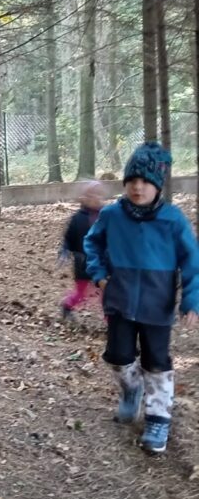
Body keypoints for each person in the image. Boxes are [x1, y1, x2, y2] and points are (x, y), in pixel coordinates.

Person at [84, 143, 199, 454]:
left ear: (157, 185)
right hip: (119, 302)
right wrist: (99, 274)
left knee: (156, 362)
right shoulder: (112, 215)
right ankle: (132, 389)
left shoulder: (172, 220)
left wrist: (191, 300)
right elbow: (92, 244)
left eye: (146, 181)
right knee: (118, 356)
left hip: (157, 306)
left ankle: (158, 418)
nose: (138, 187)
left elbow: (192, 260)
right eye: (132, 180)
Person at [60, 180, 106, 320]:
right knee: (81, 293)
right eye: (91, 195)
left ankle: (111, 320)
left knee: (105, 292)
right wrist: (65, 250)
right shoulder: (77, 218)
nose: (96, 198)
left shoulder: (105, 216)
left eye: (99, 195)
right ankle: (67, 305)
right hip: (82, 263)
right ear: (84, 198)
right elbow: (69, 237)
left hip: (100, 262)